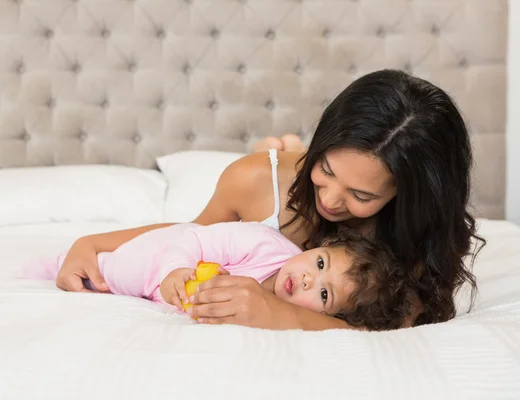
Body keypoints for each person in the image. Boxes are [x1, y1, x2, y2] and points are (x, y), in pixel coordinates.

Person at [54, 69, 484, 330]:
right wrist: (95, 243)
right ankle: (285, 146)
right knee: (270, 167)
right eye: (327, 171)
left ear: (403, 197)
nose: (330, 201)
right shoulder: (255, 179)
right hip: (274, 176)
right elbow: (195, 235)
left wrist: (278, 315)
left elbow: (395, 330)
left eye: (360, 194)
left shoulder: (409, 244)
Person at [24, 222, 412, 331]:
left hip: (157, 294)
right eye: (321, 263)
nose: (310, 279)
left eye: (325, 295)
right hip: (159, 254)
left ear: (328, 316)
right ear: (317, 247)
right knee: (111, 273)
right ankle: (50, 263)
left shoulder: (283, 315)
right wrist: (175, 270)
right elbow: (193, 235)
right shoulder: (264, 244)